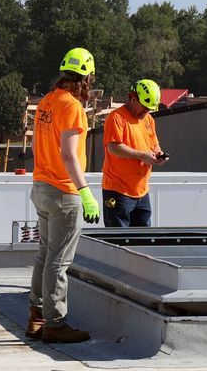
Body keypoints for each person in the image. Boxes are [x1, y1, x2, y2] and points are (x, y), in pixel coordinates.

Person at [27, 47, 100, 343]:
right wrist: (84, 192)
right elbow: (70, 155)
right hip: (63, 192)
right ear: (85, 77)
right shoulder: (71, 107)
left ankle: (37, 317)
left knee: (45, 254)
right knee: (58, 261)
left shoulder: (46, 101)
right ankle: (55, 324)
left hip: (41, 186)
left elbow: (34, 149)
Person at [101, 79, 167, 227]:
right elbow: (113, 147)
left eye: (149, 109)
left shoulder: (148, 119)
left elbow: (154, 144)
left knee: (143, 239)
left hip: (142, 191)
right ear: (133, 99)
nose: (146, 112)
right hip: (118, 190)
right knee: (119, 242)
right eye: (144, 107)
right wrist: (142, 155)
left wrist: (158, 154)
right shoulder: (116, 118)